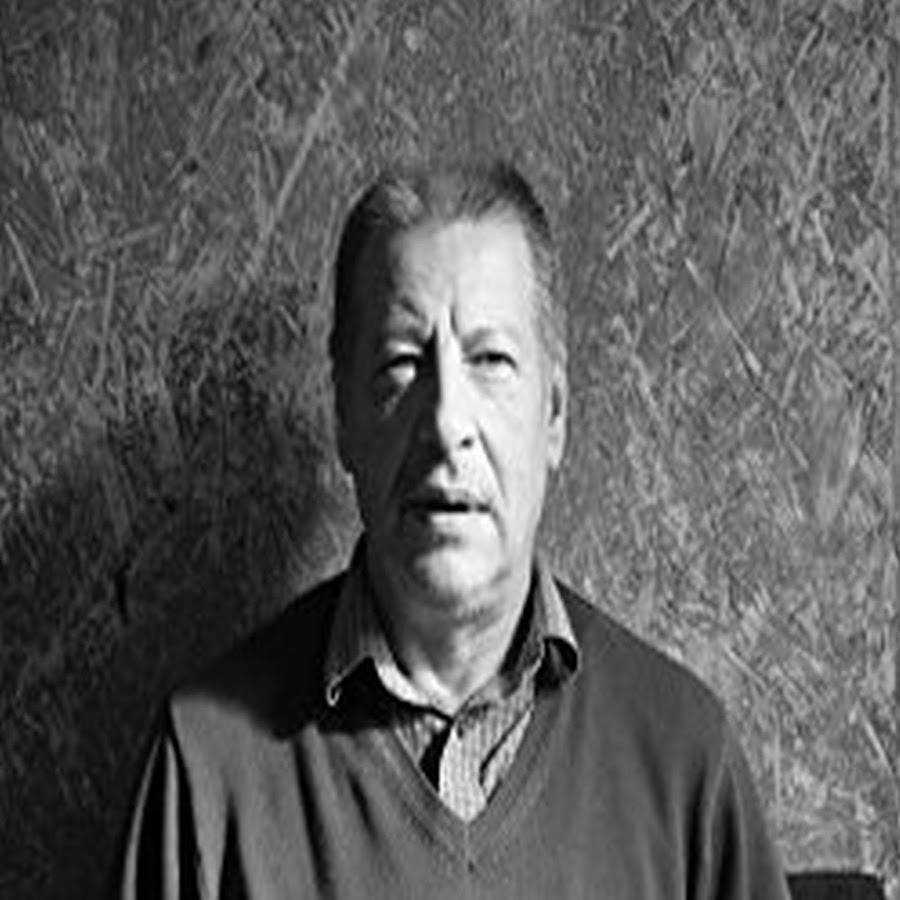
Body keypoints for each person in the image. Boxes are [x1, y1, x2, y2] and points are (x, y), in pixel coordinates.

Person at [118, 160, 791, 898]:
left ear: (555, 414)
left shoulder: (685, 761)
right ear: (344, 416)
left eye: (491, 360)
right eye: (402, 364)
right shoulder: (208, 769)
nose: (445, 424)